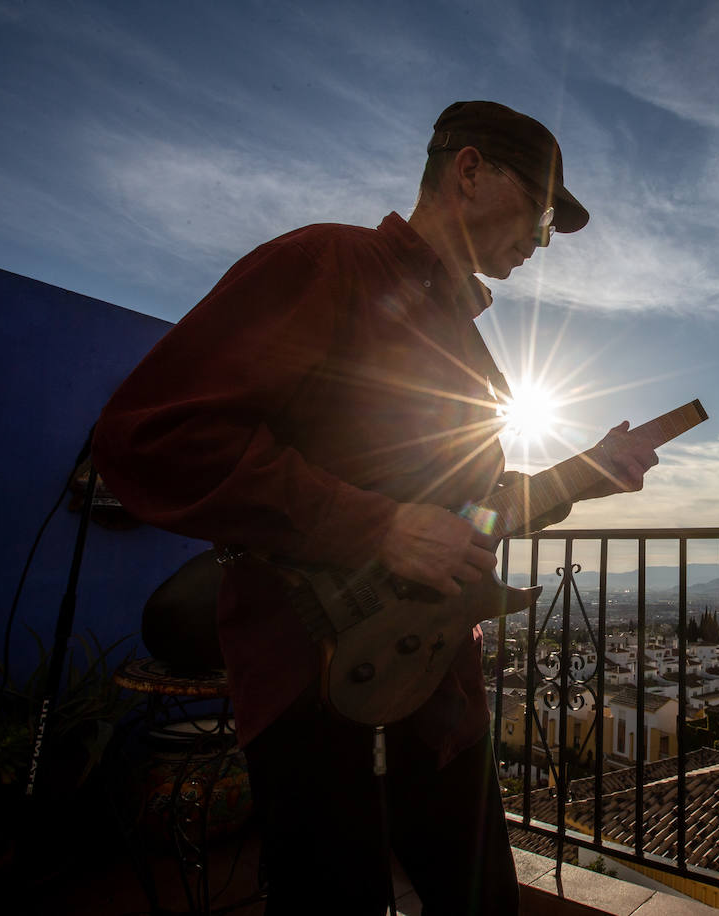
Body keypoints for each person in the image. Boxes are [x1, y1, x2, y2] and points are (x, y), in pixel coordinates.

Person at [93, 100, 660, 916]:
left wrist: (587, 474)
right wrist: (378, 527)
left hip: (437, 681)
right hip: (313, 688)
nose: (541, 243)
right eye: (539, 214)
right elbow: (150, 436)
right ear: (469, 171)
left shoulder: (462, 338)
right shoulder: (328, 263)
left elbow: (468, 516)